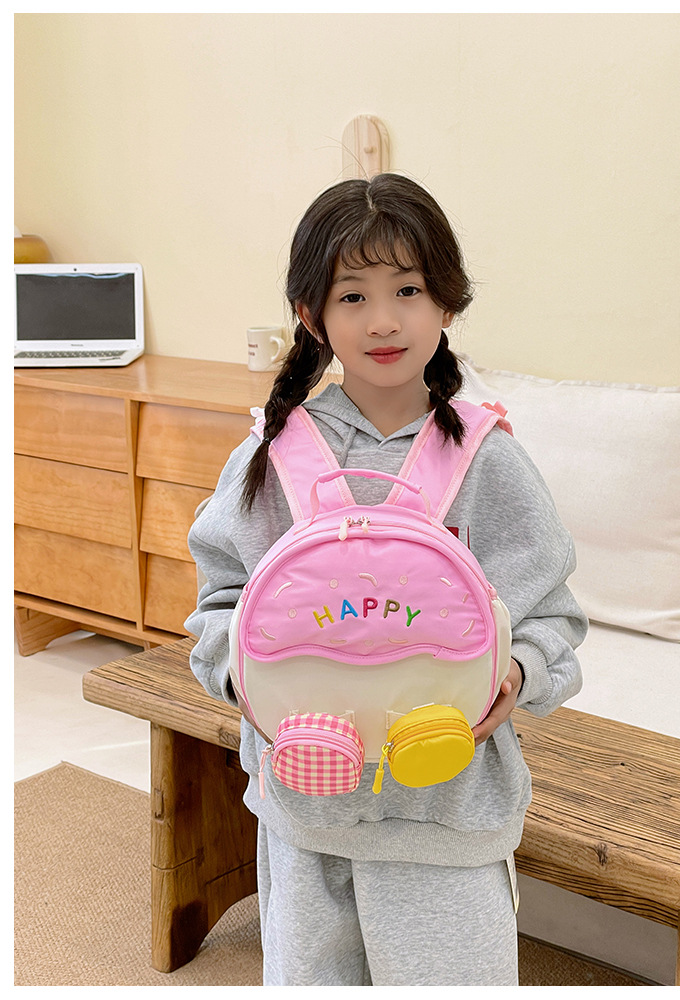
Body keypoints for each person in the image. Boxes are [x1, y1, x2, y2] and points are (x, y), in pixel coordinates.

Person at [185, 173, 587, 987]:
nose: (383, 320)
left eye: (408, 289)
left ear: (447, 303)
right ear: (312, 315)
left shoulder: (489, 459)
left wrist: (517, 673)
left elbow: (552, 618)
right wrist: (243, 678)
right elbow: (220, 603)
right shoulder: (272, 456)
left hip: (450, 810)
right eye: (352, 295)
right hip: (306, 807)